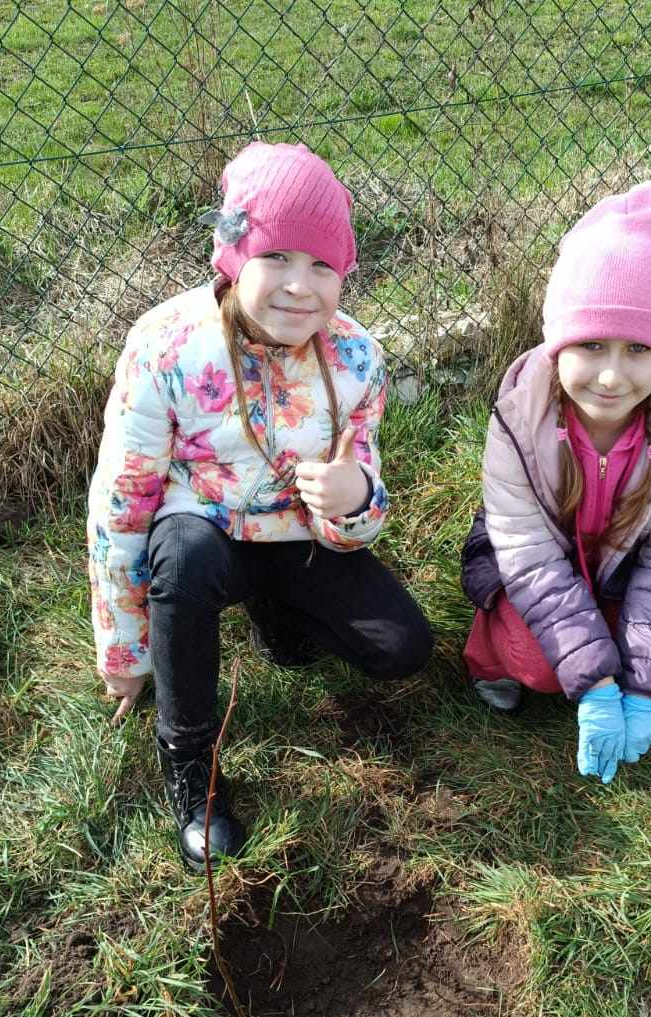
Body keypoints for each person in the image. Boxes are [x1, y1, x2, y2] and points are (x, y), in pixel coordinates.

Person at [87, 142, 432, 869]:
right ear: (234, 255)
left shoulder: (355, 358)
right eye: (277, 257)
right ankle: (192, 767)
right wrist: (124, 649)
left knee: (403, 649)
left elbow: (360, 492)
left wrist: (357, 499)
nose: (300, 288)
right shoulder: (167, 348)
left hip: (297, 538)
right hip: (202, 536)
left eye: (323, 267)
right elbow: (121, 506)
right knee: (182, 558)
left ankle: (278, 615)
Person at [461, 182, 651, 783]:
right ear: (558, 344)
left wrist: (644, 690)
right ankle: (488, 656)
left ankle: (615, 654)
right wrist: (597, 685)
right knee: (541, 664)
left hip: (624, 562)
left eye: (639, 348)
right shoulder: (517, 416)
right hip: (534, 560)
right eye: (590, 345)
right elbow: (526, 553)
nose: (611, 375)